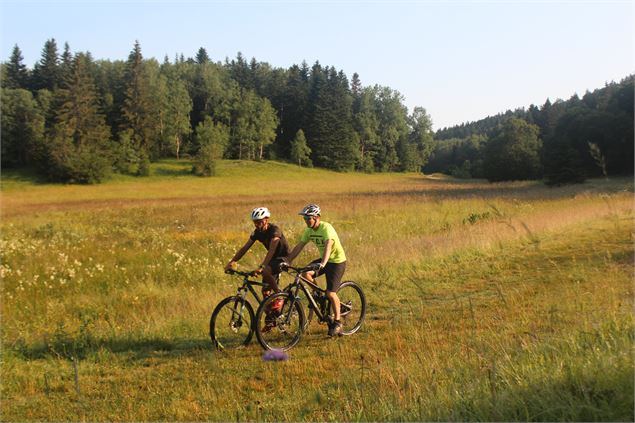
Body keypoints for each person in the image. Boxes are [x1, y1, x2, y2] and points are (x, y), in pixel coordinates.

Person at [287, 204, 347, 337]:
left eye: (308, 219)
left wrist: (323, 263)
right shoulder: (309, 231)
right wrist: (288, 261)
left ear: (317, 217)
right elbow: (299, 246)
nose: (306, 221)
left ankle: (337, 322)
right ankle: (319, 295)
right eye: (305, 219)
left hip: (336, 262)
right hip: (323, 261)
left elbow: (328, 245)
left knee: (331, 293)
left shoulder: (326, 228)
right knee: (305, 273)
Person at [225, 207, 290, 296]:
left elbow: (272, 250)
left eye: (259, 221)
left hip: (284, 258)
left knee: (266, 271)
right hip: (272, 259)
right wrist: (232, 261)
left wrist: (262, 266)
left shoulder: (274, 230)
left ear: (266, 220)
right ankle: (272, 307)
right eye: (255, 222)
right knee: (265, 292)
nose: (257, 224)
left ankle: (280, 295)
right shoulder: (257, 232)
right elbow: (245, 248)